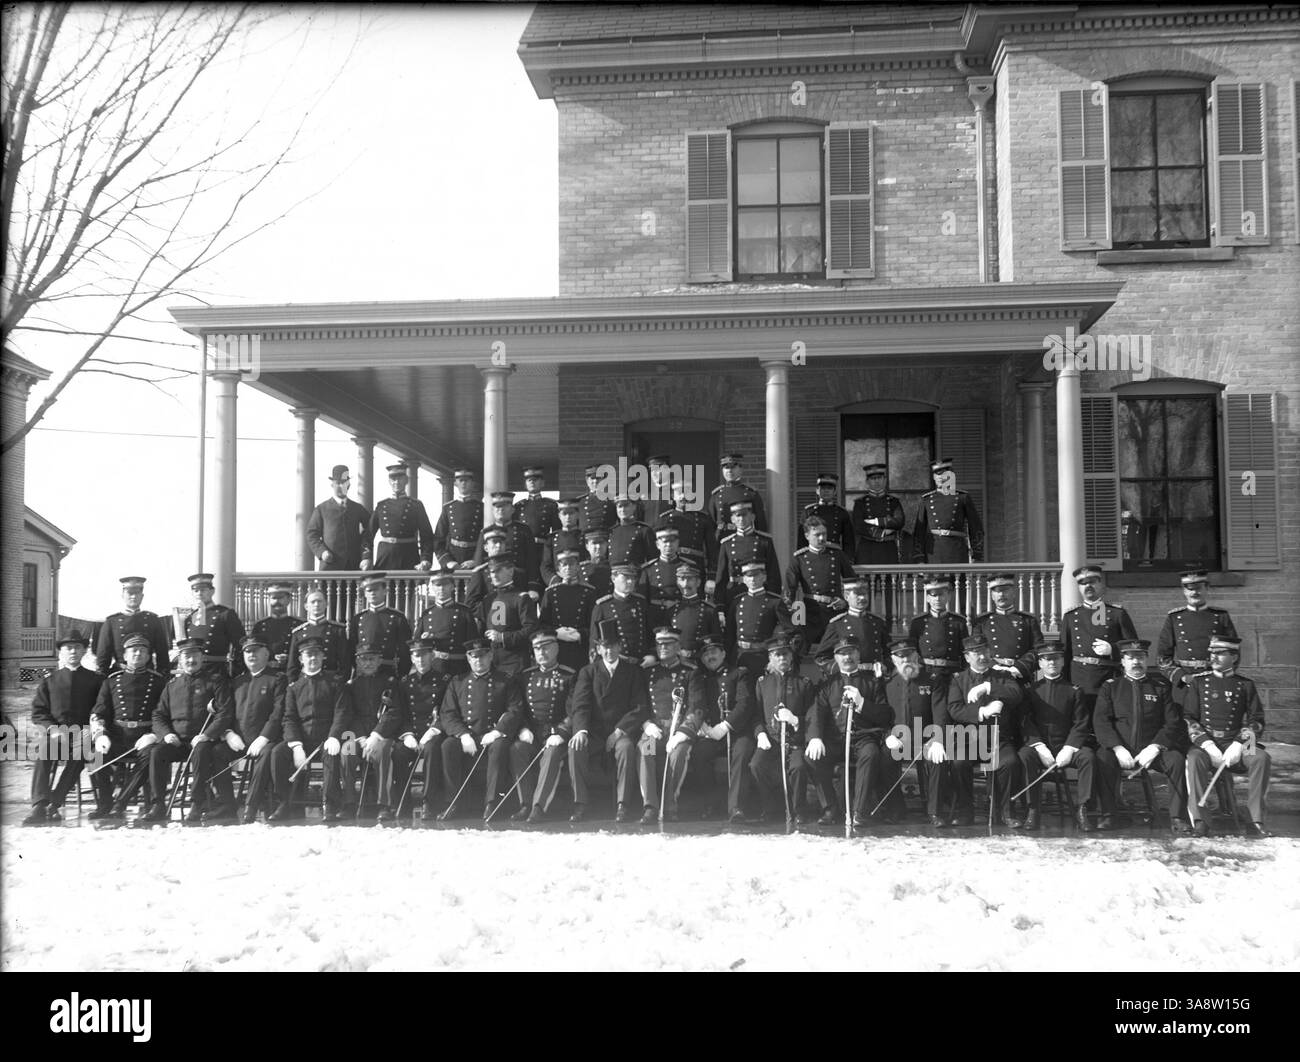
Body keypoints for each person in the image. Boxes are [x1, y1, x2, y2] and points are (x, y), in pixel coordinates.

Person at [1093, 639, 1188, 834]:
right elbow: (1101, 721)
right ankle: (1109, 815)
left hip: (1151, 751)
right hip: (1121, 750)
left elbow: (1172, 722)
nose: (1136, 662)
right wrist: (1117, 748)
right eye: (1131, 657)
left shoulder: (1160, 687)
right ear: (1123, 661)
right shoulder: (1111, 687)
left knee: (1177, 760)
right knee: (1102, 758)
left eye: (1141, 657)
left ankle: (1177, 816)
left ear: (1147, 659)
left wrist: (1156, 747)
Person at [139, 638, 237, 825]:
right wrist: (166, 734)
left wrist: (207, 735)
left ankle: (197, 804)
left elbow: (225, 713)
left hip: (204, 741)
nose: (190, 660)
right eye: (186, 656)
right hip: (178, 741)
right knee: (156, 752)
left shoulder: (215, 682)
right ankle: (158, 804)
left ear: (202, 657)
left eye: (194, 656)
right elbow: (158, 714)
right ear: (180, 660)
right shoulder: (172, 686)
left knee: (200, 751)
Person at [806, 636, 898, 829]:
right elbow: (817, 713)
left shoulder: (872, 683)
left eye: (851, 652)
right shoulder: (827, 684)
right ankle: (830, 808)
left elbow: (885, 715)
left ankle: (860, 811)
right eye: (842, 653)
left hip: (863, 738)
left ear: (858, 654)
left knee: (871, 754)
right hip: (836, 740)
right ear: (835, 657)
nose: (847, 657)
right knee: (812, 757)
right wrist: (815, 737)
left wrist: (863, 703)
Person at [1184, 636, 1269, 837]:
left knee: (1261, 758)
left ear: (1234, 656)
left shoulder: (1245, 684)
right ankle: (1200, 820)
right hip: (1207, 743)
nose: (1214, 657)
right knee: (1194, 759)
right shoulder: (1199, 683)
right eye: (1212, 652)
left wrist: (1240, 744)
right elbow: (1189, 718)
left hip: (1237, 742)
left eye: (1221, 653)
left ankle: (1255, 820)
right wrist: (1206, 744)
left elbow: (1256, 720)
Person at [568, 620, 650, 822]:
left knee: (626, 749)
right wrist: (581, 731)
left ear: (620, 646)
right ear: (598, 648)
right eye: (605, 646)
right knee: (575, 747)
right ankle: (580, 803)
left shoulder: (632, 671)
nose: (609, 651)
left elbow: (640, 707)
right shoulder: (588, 672)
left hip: (620, 731)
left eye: (613, 646)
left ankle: (623, 804)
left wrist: (619, 731)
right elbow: (580, 705)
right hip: (594, 732)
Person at [439, 638, 526, 820]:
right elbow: (448, 713)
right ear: (468, 659)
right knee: (448, 746)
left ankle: (491, 803)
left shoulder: (505, 680)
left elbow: (515, 709)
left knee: (500, 747)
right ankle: (452, 802)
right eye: (473, 656)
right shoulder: (458, 682)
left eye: (483, 656)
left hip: (493, 735)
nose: (478, 660)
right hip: (468, 735)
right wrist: (463, 735)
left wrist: (496, 732)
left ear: (491, 656)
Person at [1017, 640, 1097, 831]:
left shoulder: (1074, 690)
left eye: (1056, 659)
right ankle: (1033, 809)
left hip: (1067, 746)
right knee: (1024, 756)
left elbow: (1081, 723)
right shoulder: (1030, 691)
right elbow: (1024, 722)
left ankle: (1082, 808)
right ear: (1040, 663)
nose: (1051, 663)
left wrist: (1069, 748)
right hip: (1040, 747)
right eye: (1046, 659)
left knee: (1088, 757)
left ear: (1062, 661)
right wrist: (1038, 746)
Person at [945, 634, 1025, 828]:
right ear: (967, 657)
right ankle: (965, 812)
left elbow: (1016, 695)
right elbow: (955, 709)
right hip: (970, 739)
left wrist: (990, 687)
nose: (982, 657)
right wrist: (981, 711)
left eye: (985, 651)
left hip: (999, 738)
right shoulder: (958, 679)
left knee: (1010, 762)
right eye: (976, 653)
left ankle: (1006, 811)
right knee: (958, 763)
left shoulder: (1002, 676)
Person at [25, 631, 103, 826]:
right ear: (61, 652)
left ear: (85, 651)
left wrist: (91, 728)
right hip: (57, 734)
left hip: (84, 734)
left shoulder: (96, 680)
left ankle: (55, 802)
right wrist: (52, 729)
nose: (73, 651)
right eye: (68, 648)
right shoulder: (50, 680)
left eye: (78, 647)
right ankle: (39, 804)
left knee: (81, 754)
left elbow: (100, 708)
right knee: (44, 750)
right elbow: (39, 711)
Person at [270, 637, 352, 823]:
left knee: (331, 755)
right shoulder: (294, 688)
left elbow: (342, 713)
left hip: (326, 739)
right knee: (278, 752)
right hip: (302, 740)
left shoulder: (335, 682)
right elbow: (289, 718)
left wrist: (334, 737)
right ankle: (284, 801)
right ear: (301, 659)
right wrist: (296, 745)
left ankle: (329, 805)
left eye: (317, 654)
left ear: (323, 657)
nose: (313, 658)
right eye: (308, 655)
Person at [92, 634, 168, 820]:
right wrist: (101, 734)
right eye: (134, 651)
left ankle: (121, 802)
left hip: (145, 736)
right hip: (118, 735)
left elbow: (166, 713)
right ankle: (105, 803)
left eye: (143, 651)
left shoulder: (158, 681)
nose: (138, 654)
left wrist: (153, 734)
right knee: (94, 754)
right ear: (124, 656)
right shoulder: (111, 681)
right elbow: (99, 712)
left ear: (149, 656)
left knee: (150, 756)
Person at [635, 627, 705, 823]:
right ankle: (650, 806)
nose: (663, 648)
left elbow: (697, 706)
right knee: (645, 751)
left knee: (679, 754)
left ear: (678, 646)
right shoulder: (648, 673)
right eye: (659, 644)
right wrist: (646, 724)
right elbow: (639, 704)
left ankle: (670, 804)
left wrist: (683, 732)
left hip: (679, 730)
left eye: (668, 644)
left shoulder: (691, 672)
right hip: (653, 730)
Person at [380, 636, 452, 822]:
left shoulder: (444, 681)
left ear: (432, 656)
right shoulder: (404, 682)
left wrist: (433, 731)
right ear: (411, 658)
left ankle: (429, 802)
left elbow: (447, 711)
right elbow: (400, 713)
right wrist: (407, 734)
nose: (420, 660)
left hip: (433, 733)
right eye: (416, 656)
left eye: (424, 655)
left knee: (431, 750)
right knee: (398, 752)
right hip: (411, 732)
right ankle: (402, 802)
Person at [749, 636, 816, 823]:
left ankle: (798, 810)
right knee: (756, 765)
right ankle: (770, 809)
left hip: (795, 741)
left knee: (798, 767)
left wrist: (796, 720)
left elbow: (812, 715)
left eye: (785, 654)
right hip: (771, 740)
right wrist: (760, 733)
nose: (782, 659)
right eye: (777, 655)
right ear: (770, 658)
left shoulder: (804, 683)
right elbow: (756, 715)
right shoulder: (762, 683)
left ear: (791, 657)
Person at [514, 629, 578, 822]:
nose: (541, 652)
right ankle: (525, 804)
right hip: (532, 733)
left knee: (551, 754)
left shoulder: (569, 675)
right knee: (516, 749)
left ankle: (538, 806)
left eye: (546, 647)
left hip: (556, 734)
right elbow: (518, 708)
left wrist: (561, 732)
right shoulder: (525, 676)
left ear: (556, 647)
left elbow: (575, 710)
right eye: (537, 648)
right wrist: (523, 728)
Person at [878, 638, 942, 824]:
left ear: (916, 656)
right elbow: (880, 713)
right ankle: (895, 809)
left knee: (936, 760)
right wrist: (888, 735)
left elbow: (939, 713)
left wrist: (937, 739)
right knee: (884, 758)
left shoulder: (932, 680)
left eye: (908, 655)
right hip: (898, 740)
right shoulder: (887, 683)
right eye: (900, 657)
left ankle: (934, 811)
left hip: (925, 738)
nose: (905, 660)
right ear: (893, 660)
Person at [694, 634, 756, 822]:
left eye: (713, 652)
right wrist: (702, 725)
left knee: (742, 754)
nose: (710, 657)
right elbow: (696, 702)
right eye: (705, 654)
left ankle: (736, 807)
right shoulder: (701, 678)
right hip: (712, 733)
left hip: (737, 732)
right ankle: (712, 803)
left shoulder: (739, 674)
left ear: (723, 653)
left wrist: (725, 726)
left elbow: (745, 704)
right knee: (698, 754)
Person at [1060, 565, 1137, 714]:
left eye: (1092, 581)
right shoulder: (1070, 616)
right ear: (1079, 587)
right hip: (1080, 678)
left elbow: (1134, 647)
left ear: (1101, 584)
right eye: (1082, 583)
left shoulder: (1116, 613)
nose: (1088, 586)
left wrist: (1113, 649)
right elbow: (1065, 652)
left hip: (1108, 676)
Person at [1156, 569, 1239, 701]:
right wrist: (1181, 676)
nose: (1194, 593)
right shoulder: (1174, 618)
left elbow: (1234, 653)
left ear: (1207, 588)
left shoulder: (1220, 616)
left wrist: (1220, 676)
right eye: (1190, 589)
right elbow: (1163, 658)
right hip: (1185, 684)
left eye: (1199, 588)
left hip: (1215, 681)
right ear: (1184, 591)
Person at [228, 637, 285, 824]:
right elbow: (226, 712)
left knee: (267, 754)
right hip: (239, 740)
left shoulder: (277, 679)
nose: (251, 655)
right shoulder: (237, 682)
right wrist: (229, 733)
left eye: (256, 651)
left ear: (266, 654)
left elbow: (278, 713)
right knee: (214, 752)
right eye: (247, 651)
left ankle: (250, 807)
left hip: (266, 740)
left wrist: (264, 737)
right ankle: (225, 803)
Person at [785, 515, 854, 649]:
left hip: (837, 611)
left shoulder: (837, 554)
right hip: (811, 612)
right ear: (807, 536)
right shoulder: (799, 558)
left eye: (824, 534)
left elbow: (852, 582)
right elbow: (789, 589)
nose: (822, 538)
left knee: (843, 649)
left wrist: (845, 601)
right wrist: (790, 618)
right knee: (801, 648)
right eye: (817, 535)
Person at [345, 642, 397, 817]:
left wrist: (375, 736)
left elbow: (394, 712)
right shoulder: (350, 686)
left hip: (381, 735)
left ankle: (384, 804)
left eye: (372, 659)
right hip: (358, 736)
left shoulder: (390, 683)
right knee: (347, 752)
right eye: (363, 659)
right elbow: (349, 714)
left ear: (379, 661)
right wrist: (361, 738)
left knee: (383, 752)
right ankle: (349, 802)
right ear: (357, 662)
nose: (367, 663)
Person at [910, 458, 984, 564]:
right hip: (934, 552)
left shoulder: (962, 497)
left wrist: (976, 555)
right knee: (936, 581)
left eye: (944, 473)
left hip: (957, 550)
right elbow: (919, 531)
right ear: (934, 477)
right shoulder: (926, 500)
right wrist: (919, 557)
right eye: (937, 474)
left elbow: (975, 527)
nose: (940, 477)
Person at [971, 573, 1042, 683]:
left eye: (1005, 590)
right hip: (991, 675)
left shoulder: (1028, 620)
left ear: (1013, 593)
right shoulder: (982, 622)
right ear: (992, 596)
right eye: (997, 591)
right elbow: (976, 649)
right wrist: (994, 666)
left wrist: (1019, 667)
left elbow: (1038, 649)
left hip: (1020, 675)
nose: (1001, 595)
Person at [727, 561, 795, 676]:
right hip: (740, 655)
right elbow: (729, 633)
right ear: (744, 579)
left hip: (762, 655)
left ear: (764, 577)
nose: (753, 580)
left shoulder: (774, 601)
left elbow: (790, 630)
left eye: (756, 576)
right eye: (749, 576)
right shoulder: (737, 602)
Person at [476, 554, 540, 675]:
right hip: (491, 663)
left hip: (515, 662)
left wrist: (503, 637)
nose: (494, 575)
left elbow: (531, 629)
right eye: (491, 572)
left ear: (510, 571)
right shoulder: (488, 599)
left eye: (498, 570)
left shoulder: (521, 597)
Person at [95, 575, 171, 676]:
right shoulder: (112, 622)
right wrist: (102, 677)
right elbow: (103, 655)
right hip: (120, 674)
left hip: (147, 674)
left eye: (137, 593)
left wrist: (163, 674)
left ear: (142, 596)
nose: (133, 597)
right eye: (130, 593)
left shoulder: (153, 620)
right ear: (122, 595)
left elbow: (162, 653)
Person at [907, 575, 969, 699]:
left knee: (946, 712)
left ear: (948, 597)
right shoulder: (918, 622)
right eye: (933, 595)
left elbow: (965, 652)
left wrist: (964, 676)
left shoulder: (959, 622)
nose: (937, 599)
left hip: (951, 674)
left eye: (941, 595)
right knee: (920, 711)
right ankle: (918, 720)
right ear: (928, 598)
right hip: (926, 672)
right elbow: (912, 652)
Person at [365, 463, 434, 571]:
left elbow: (427, 536)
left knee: (407, 587)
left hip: (408, 556)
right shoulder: (381, 505)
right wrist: (366, 557)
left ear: (406, 480)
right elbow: (368, 534)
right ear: (389, 481)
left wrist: (425, 559)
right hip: (385, 557)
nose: (396, 482)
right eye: (393, 479)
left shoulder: (416, 505)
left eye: (400, 479)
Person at [538, 549, 598, 671]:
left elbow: (593, 624)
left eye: (572, 564)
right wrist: (556, 633)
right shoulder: (550, 593)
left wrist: (580, 634)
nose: (568, 568)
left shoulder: (589, 592)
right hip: (557, 648)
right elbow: (542, 625)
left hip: (580, 648)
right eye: (564, 565)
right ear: (558, 570)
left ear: (578, 567)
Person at [415, 566, 480, 677]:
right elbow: (416, 644)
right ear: (433, 588)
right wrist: (424, 640)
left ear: (452, 586)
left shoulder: (464, 612)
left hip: (459, 668)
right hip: (435, 668)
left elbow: (473, 643)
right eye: (437, 585)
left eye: (445, 584)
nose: (441, 589)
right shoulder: (426, 614)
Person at [180, 572, 246, 679]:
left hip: (217, 672)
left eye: (203, 590)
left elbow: (240, 645)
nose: (199, 593)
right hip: (196, 672)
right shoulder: (189, 618)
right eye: (196, 591)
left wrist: (236, 672)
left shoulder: (225, 614)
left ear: (212, 591)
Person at [349, 571, 413, 679]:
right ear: (365, 593)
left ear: (384, 591)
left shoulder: (397, 618)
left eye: (376, 589)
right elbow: (351, 650)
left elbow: (405, 651)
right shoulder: (358, 619)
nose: (373, 593)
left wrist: (402, 675)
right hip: (363, 672)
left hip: (387, 672)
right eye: (369, 590)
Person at [815, 579, 889, 673]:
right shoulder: (837, 624)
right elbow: (821, 658)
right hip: (848, 681)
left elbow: (890, 653)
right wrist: (844, 668)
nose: (862, 598)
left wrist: (884, 668)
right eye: (857, 594)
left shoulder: (878, 622)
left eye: (865, 594)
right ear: (846, 596)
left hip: (874, 680)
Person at [715, 499, 780, 604]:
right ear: (732, 519)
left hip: (759, 592)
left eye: (744, 515)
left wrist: (774, 599)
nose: (741, 519)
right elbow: (721, 578)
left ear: (752, 517)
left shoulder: (764, 541)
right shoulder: (727, 543)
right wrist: (719, 604)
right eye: (738, 516)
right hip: (734, 592)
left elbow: (773, 573)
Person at [475, 492, 541, 594]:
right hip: (493, 583)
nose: (500, 510)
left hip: (519, 581)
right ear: (492, 510)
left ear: (512, 509)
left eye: (505, 507)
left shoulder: (523, 530)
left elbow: (531, 560)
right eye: (497, 507)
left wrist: (533, 586)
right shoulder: (485, 532)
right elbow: (479, 562)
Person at [306, 464, 370, 570]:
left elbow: (370, 530)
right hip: (330, 567)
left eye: (344, 483)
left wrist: (365, 555)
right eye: (338, 483)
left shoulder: (358, 508)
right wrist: (322, 552)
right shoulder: (321, 509)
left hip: (353, 567)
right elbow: (311, 534)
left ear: (349, 485)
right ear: (332, 485)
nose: (341, 486)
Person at [589, 564, 654, 666]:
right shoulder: (603, 606)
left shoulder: (640, 602)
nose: (630, 582)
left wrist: (652, 655)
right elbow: (595, 639)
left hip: (641, 662)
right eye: (626, 578)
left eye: (632, 578)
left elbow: (650, 632)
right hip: (615, 662)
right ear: (613, 578)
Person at [287, 589, 352, 681]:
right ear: (306, 606)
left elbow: (345, 662)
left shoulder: (337, 630)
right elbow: (292, 664)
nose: (316, 604)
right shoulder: (299, 632)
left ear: (326, 604)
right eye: (313, 602)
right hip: (306, 681)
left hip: (330, 681)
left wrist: (340, 682)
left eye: (320, 601)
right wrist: (293, 683)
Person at [657, 476, 717, 575]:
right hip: (672, 564)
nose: (683, 496)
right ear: (673, 495)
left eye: (687, 492)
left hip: (695, 565)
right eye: (679, 492)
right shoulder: (665, 519)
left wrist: (712, 575)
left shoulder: (703, 519)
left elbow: (712, 550)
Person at [666, 563, 722, 663]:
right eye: (682, 579)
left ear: (698, 582)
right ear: (677, 583)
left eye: (690, 580)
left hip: (701, 662)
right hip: (677, 662)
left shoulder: (709, 610)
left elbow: (716, 641)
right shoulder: (671, 610)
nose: (685, 584)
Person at [851, 464, 904, 564]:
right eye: (873, 478)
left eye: (879, 478)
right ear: (867, 482)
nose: (876, 481)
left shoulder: (893, 501)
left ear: (885, 480)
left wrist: (874, 521)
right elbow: (859, 525)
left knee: (890, 579)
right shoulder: (860, 503)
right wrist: (882, 532)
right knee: (866, 579)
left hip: (888, 547)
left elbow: (899, 521)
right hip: (867, 548)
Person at [433, 468, 484, 570]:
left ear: (472, 483)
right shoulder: (448, 508)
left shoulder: (482, 507)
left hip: (474, 560)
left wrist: (476, 560)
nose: (463, 483)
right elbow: (438, 539)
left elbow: (486, 538)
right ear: (456, 483)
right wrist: (448, 561)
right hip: (453, 560)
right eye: (460, 480)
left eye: (467, 480)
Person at [708, 452, 767, 537]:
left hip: (744, 539)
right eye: (726, 467)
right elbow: (711, 525)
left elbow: (760, 524)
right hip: (721, 539)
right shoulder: (716, 495)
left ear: (740, 469)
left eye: (733, 467)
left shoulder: (750, 493)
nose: (729, 470)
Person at [638, 526, 688, 625]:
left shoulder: (687, 566)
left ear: (678, 543)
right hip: (656, 615)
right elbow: (643, 598)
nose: (669, 545)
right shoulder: (648, 569)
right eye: (665, 542)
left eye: (672, 542)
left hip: (680, 613)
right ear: (657, 544)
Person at [250, 583, 303, 675]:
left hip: (291, 673)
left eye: (281, 598)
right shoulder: (259, 625)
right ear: (269, 600)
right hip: (266, 674)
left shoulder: (299, 625)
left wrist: (289, 657)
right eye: (274, 598)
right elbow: (253, 650)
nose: (277, 601)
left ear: (288, 600)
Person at [799, 471, 854, 555]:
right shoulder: (808, 512)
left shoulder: (841, 513)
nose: (826, 491)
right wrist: (803, 559)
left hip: (835, 554)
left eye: (829, 488)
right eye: (823, 488)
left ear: (835, 491)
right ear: (817, 491)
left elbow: (848, 541)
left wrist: (848, 560)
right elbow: (802, 539)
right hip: (813, 554)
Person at [540, 498, 589, 585]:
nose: (568, 517)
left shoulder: (585, 537)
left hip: (581, 582)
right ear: (559, 516)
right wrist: (555, 581)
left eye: (571, 513)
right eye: (564, 514)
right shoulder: (552, 539)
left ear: (578, 514)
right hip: (559, 583)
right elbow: (546, 566)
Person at [514, 465, 561, 548]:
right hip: (524, 547)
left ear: (542, 483)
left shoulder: (550, 505)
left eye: (535, 480)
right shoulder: (519, 506)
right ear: (525, 485)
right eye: (529, 480)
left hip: (543, 548)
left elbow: (556, 531)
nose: (532, 482)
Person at [609, 493, 655, 568]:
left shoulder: (644, 530)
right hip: (614, 575)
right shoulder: (612, 531)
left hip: (634, 574)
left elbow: (652, 559)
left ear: (634, 507)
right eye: (620, 507)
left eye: (626, 506)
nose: (623, 510)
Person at [577, 463, 617, 535]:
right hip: (586, 540)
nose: (595, 481)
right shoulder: (580, 502)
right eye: (592, 478)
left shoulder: (613, 500)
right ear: (587, 481)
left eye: (598, 478)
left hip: (606, 539)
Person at [580, 528, 613, 598]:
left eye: (601, 543)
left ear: (607, 544)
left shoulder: (613, 568)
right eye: (594, 543)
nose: (598, 547)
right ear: (587, 546)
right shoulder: (579, 570)